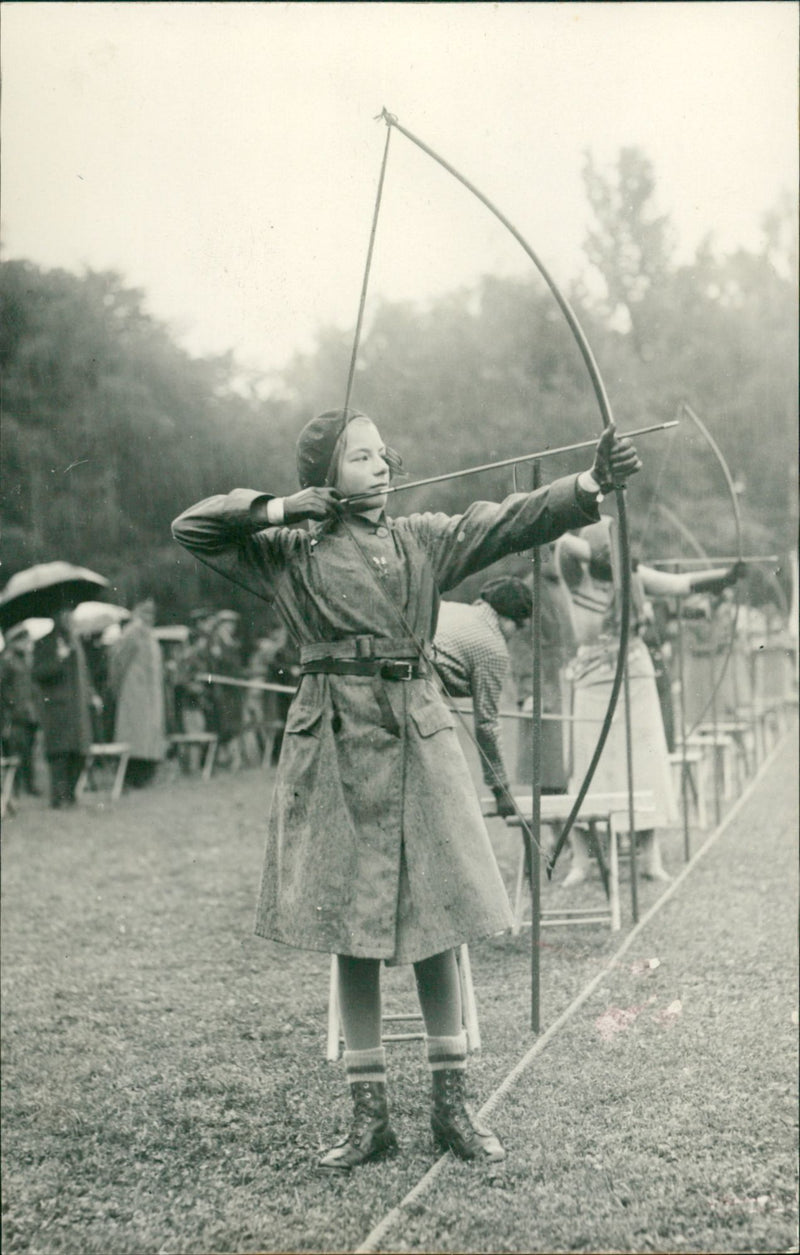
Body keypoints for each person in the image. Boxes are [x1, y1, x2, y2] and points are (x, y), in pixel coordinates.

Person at [172, 406, 642, 1169]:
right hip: (330, 739)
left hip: (417, 732)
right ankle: (370, 1117)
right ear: (325, 478)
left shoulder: (419, 539)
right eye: (360, 458)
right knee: (349, 932)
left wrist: (589, 482)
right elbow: (192, 527)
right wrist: (282, 508)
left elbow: (507, 522)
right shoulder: (287, 549)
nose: (383, 465)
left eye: (383, 453)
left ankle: (453, 1107)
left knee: (437, 917)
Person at [555, 521, 743, 885]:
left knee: (646, 763)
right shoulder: (575, 575)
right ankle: (582, 859)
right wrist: (605, 549)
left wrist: (727, 575)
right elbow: (559, 540)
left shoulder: (633, 577)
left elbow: (680, 585)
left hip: (635, 674)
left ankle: (649, 857)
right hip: (593, 677)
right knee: (587, 767)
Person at [433, 576, 532, 817]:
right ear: (505, 618)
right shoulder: (493, 648)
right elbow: (486, 724)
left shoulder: (454, 609)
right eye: (518, 626)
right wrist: (501, 789)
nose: (515, 634)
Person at [31, 610, 94, 808]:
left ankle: (70, 794)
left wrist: (91, 694)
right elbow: (37, 673)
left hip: (77, 710)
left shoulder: (75, 641)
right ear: (57, 618)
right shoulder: (45, 642)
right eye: (66, 616)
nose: (70, 619)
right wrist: (58, 659)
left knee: (79, 754)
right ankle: (59, 798)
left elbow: (83, 673)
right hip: (57, 709)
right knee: (60, 754)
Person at [109, 599, 166, 787]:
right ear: (136, 612)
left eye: (151, 614)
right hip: (134, 691)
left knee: (148, 734)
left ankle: (145, 774)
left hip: (151, 694)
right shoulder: (132, 633)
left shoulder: (151, 635)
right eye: (145, 612)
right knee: (134, 734)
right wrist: (118, 688)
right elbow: (119, 662)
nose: (149, 617)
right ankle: (131, 775)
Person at [0, 626, 41, 796]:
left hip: (27, 712)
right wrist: (10, 706)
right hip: (14, 713)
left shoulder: (25, 659)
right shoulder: (7, 660)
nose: (27, 644)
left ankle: (28, 784)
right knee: (15, 749)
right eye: (24, 640)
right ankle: (15, 786)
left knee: (28, 750)